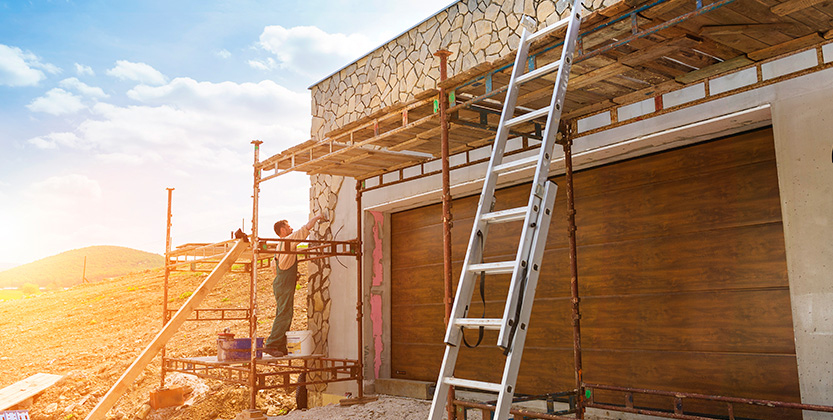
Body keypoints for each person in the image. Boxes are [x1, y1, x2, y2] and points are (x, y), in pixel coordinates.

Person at [264, 214, 324, 357]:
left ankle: (280, 345)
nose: (291, 228)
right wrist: (318, 217)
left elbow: (275, 266)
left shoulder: (280, 245)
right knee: (284, 314)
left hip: (280, 282)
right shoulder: (288, 240)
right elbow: (305, 230)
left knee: (284, 313)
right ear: (282, 230)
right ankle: (271, 344)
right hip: (284, 283)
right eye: (288, 226)